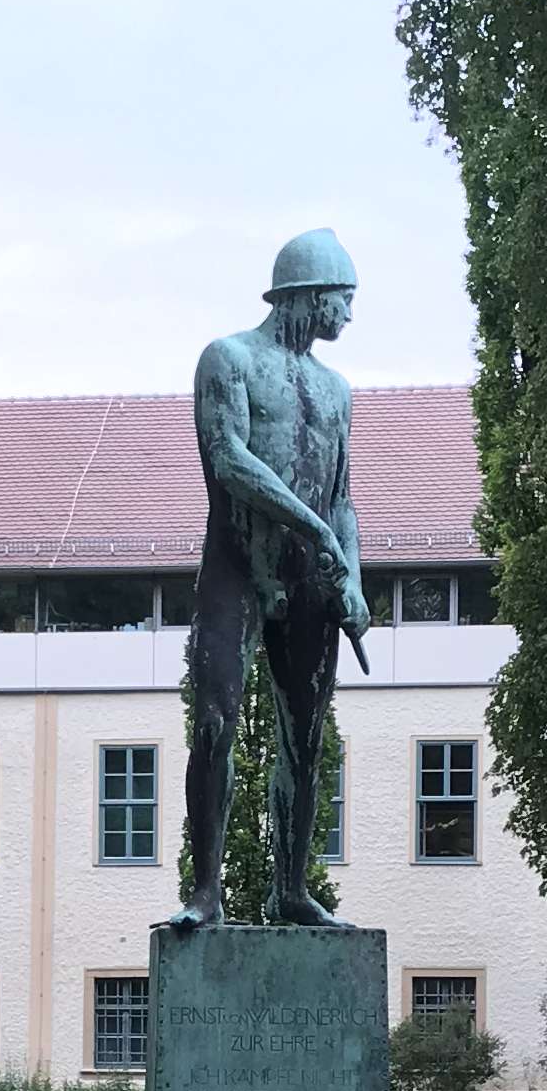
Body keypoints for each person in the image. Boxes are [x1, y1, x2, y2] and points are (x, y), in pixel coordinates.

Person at [177, 228, 374, 929]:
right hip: (237, 563)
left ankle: (291, 889)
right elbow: (228, 458)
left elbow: (344, 494)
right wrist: (315, 529)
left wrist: (351, 577)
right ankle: (206, 893)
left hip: (312, 580)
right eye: (343, 300)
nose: (349, 315)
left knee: (306, 740)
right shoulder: (227, 359)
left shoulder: (336, 389)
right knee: (214, 721)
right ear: (310, 293)